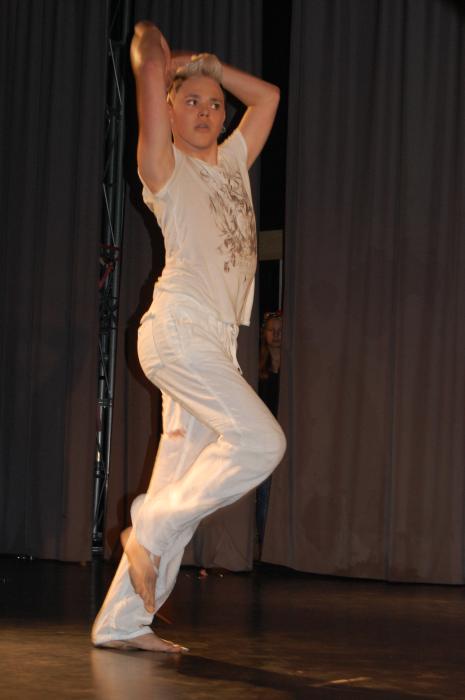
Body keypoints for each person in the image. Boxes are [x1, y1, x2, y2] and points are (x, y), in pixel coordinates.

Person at [91, 20, 286, 653]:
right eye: (191, 101)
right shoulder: (165, 167)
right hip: (179, 333)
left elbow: (269, 97)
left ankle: (122, 624)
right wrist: (163, 56)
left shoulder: (231, 162)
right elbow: (147, 48)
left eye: (215, 104)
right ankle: (147, 525)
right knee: (262, 442)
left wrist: (212, 67)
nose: (205, 110)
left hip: (214, 344)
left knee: (178, 477)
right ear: (169, 112)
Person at [256, 310, 283, 555]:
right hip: (264, 441)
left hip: (287, 438)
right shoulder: (257, 370)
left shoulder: (291, 373)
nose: (276, 335)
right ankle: (265, 546)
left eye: (280, 330)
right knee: (264, 492)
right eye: (271, 330)